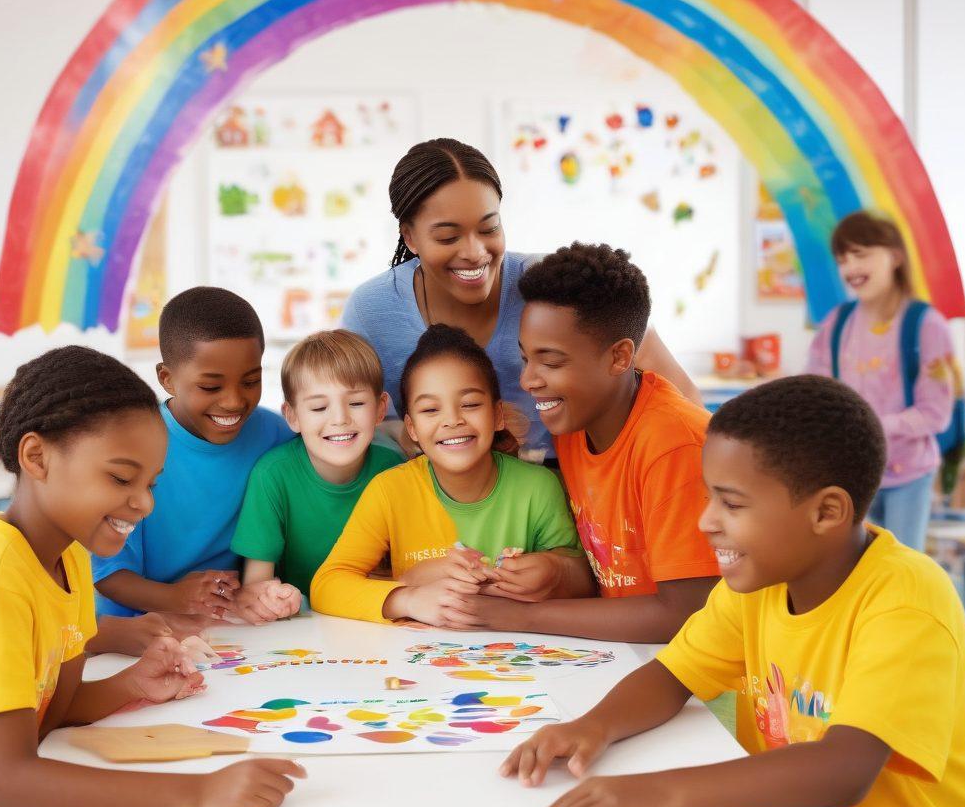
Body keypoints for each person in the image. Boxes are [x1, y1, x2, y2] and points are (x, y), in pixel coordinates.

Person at [501, 376, 965, 807]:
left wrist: (659, 792)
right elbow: (670, 675)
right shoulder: (760, 582)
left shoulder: (905, 600)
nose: (706, 522)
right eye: (709, 498)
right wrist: (589, 728)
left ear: (827, 511)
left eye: (731, 503)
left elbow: (845, 769)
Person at [0, 346, 302, 807]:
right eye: (121, 478)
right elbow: (10, 783)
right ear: (37, 457)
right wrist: (198, 794)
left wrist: (130, 685)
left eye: (152, 484)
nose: (145, 504)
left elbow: (51, 713)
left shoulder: (68, 556)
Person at [340, 138, 701, 461]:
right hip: (439, 496)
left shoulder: (551, 284)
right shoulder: (371, 310)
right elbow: (357, 424)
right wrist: (413, 434)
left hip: (565, 484)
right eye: (448, 237)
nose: (475, 252)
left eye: (489, 228)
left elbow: (681, 399)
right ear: (411, 238)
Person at [464, 243, 718, 642]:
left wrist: (524, 617)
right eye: (526, 358)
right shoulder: (574, 425)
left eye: (550, 362)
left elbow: (684, 615)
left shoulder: (676, 446)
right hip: (623, 656)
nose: (529, 379)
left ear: (619, 358)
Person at [311, 325, 592, 627]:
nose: (452, 420)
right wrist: (408, 596)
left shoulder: (537, 487)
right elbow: (327, 585)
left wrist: (553, 570)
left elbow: (586, 581)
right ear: (412, 428)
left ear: (497, 415)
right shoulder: (390, 490)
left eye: (470, 404)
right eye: (431, 409)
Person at [91, 287, 291, 621]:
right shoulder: (128, 446)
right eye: (211, 387)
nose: (233, 401)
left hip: (227, 625)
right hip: (131, 627)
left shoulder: (276, 435)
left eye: (250, 381)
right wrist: (175, 597)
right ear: (167, 379)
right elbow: (108, 575)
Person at [807, 210, 956, 551]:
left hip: (909, 475)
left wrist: (870, 426)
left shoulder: (926, 324)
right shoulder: (837, 323)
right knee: (855, 571)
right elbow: (816, 395)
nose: (850, 268)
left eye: (861, 255)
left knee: (901, 567)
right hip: (851, 475)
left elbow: (936, 413)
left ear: (895, 256)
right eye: (843, 259)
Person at [231, 330, 403, 622]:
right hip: (301, 625)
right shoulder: (272, 476)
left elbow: (405, 568)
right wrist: (272, 600)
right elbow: (255, 587)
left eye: (357, 403)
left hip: (371, 618)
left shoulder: (394, 471)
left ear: (380, 409)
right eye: (319, 407)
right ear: (293, 416)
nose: (339, 419)